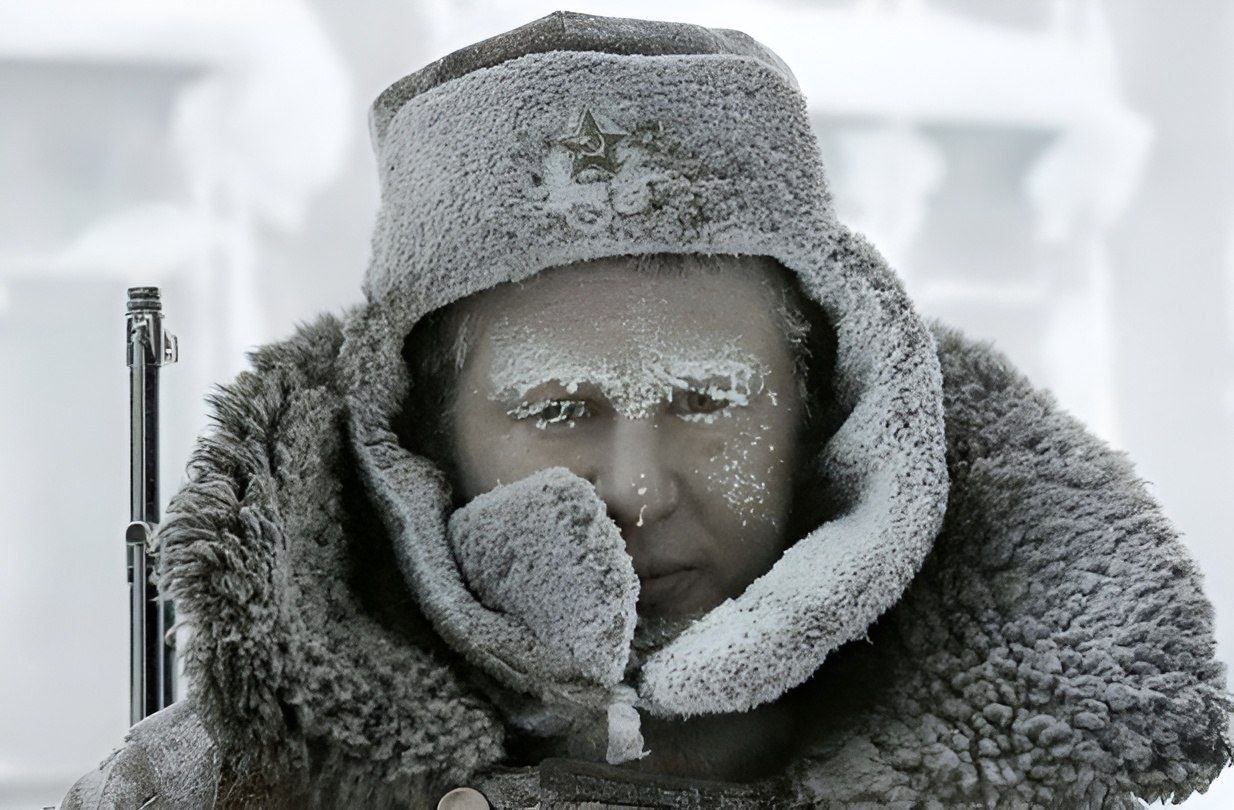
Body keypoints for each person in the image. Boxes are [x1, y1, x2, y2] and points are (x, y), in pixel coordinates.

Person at [63, 10, 1230, 809]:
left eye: (707, 398)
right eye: (558, 407)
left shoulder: (1039, 776)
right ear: (418, 435)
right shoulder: (212, 790)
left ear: (823, 409)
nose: (634, 484)